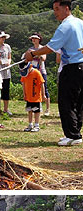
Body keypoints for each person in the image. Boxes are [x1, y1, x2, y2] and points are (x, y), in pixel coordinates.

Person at [24, 0, 83, 146]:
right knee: (78, 101)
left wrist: (33, 54)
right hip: (81, 66)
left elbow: (50, 47)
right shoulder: (80, 22)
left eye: (57, 9)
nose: (55, 12)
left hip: (72, 68)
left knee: (66, 101)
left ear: (66, 8)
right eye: (54, 9)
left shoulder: (65, 26)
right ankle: (75, 132)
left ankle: (72, 134)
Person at [20, 60, 45, 132]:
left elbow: (42, 83)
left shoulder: (36, 72)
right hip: (28, 97)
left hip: (36, 97)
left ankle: (36, 125)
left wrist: (43, 95)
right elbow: (23, 84)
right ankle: (30, 124)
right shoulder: (24, 75)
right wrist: (24, 94)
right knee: (29, 110)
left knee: (36, 111)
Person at [29, 33, 51, 116]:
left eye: (35, 38)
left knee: (44, 89)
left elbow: (43, 58)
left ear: (39, 39)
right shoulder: (30, 49)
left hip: (41, 71)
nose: (33, 40)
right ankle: (36, 107)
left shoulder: (42, 48)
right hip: (32, 72)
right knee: (34, 89)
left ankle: (47, 109)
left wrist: (35, 54)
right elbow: (27, 58)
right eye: (32, 38)